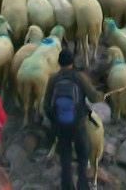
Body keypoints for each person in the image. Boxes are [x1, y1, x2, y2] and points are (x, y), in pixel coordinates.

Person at [45, 48, 94, 190]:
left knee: (65, 156)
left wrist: (54, 120)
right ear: (72, 62)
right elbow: (93, 96)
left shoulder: (53, 79)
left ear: (59, 63)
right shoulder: (79, 77)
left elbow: (46, 105)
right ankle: (82, 185)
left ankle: (67, 186)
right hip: (78, 124)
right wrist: (102, 95)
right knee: (83, 155)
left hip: (61, 125)